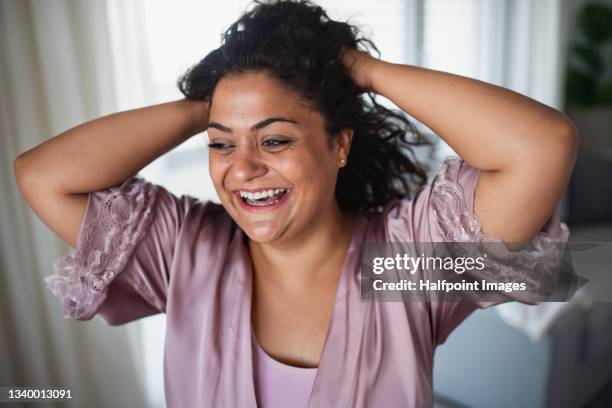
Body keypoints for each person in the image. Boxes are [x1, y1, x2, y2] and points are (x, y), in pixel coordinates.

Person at [13, 1, 576, 407]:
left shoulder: (408, 260)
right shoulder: (183, 249)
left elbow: (540, 146)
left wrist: (361, 71)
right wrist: (213, 99)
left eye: (275, 139)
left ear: (339, 144)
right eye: (221, 144)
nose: (242, 168)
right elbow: (42, 175)